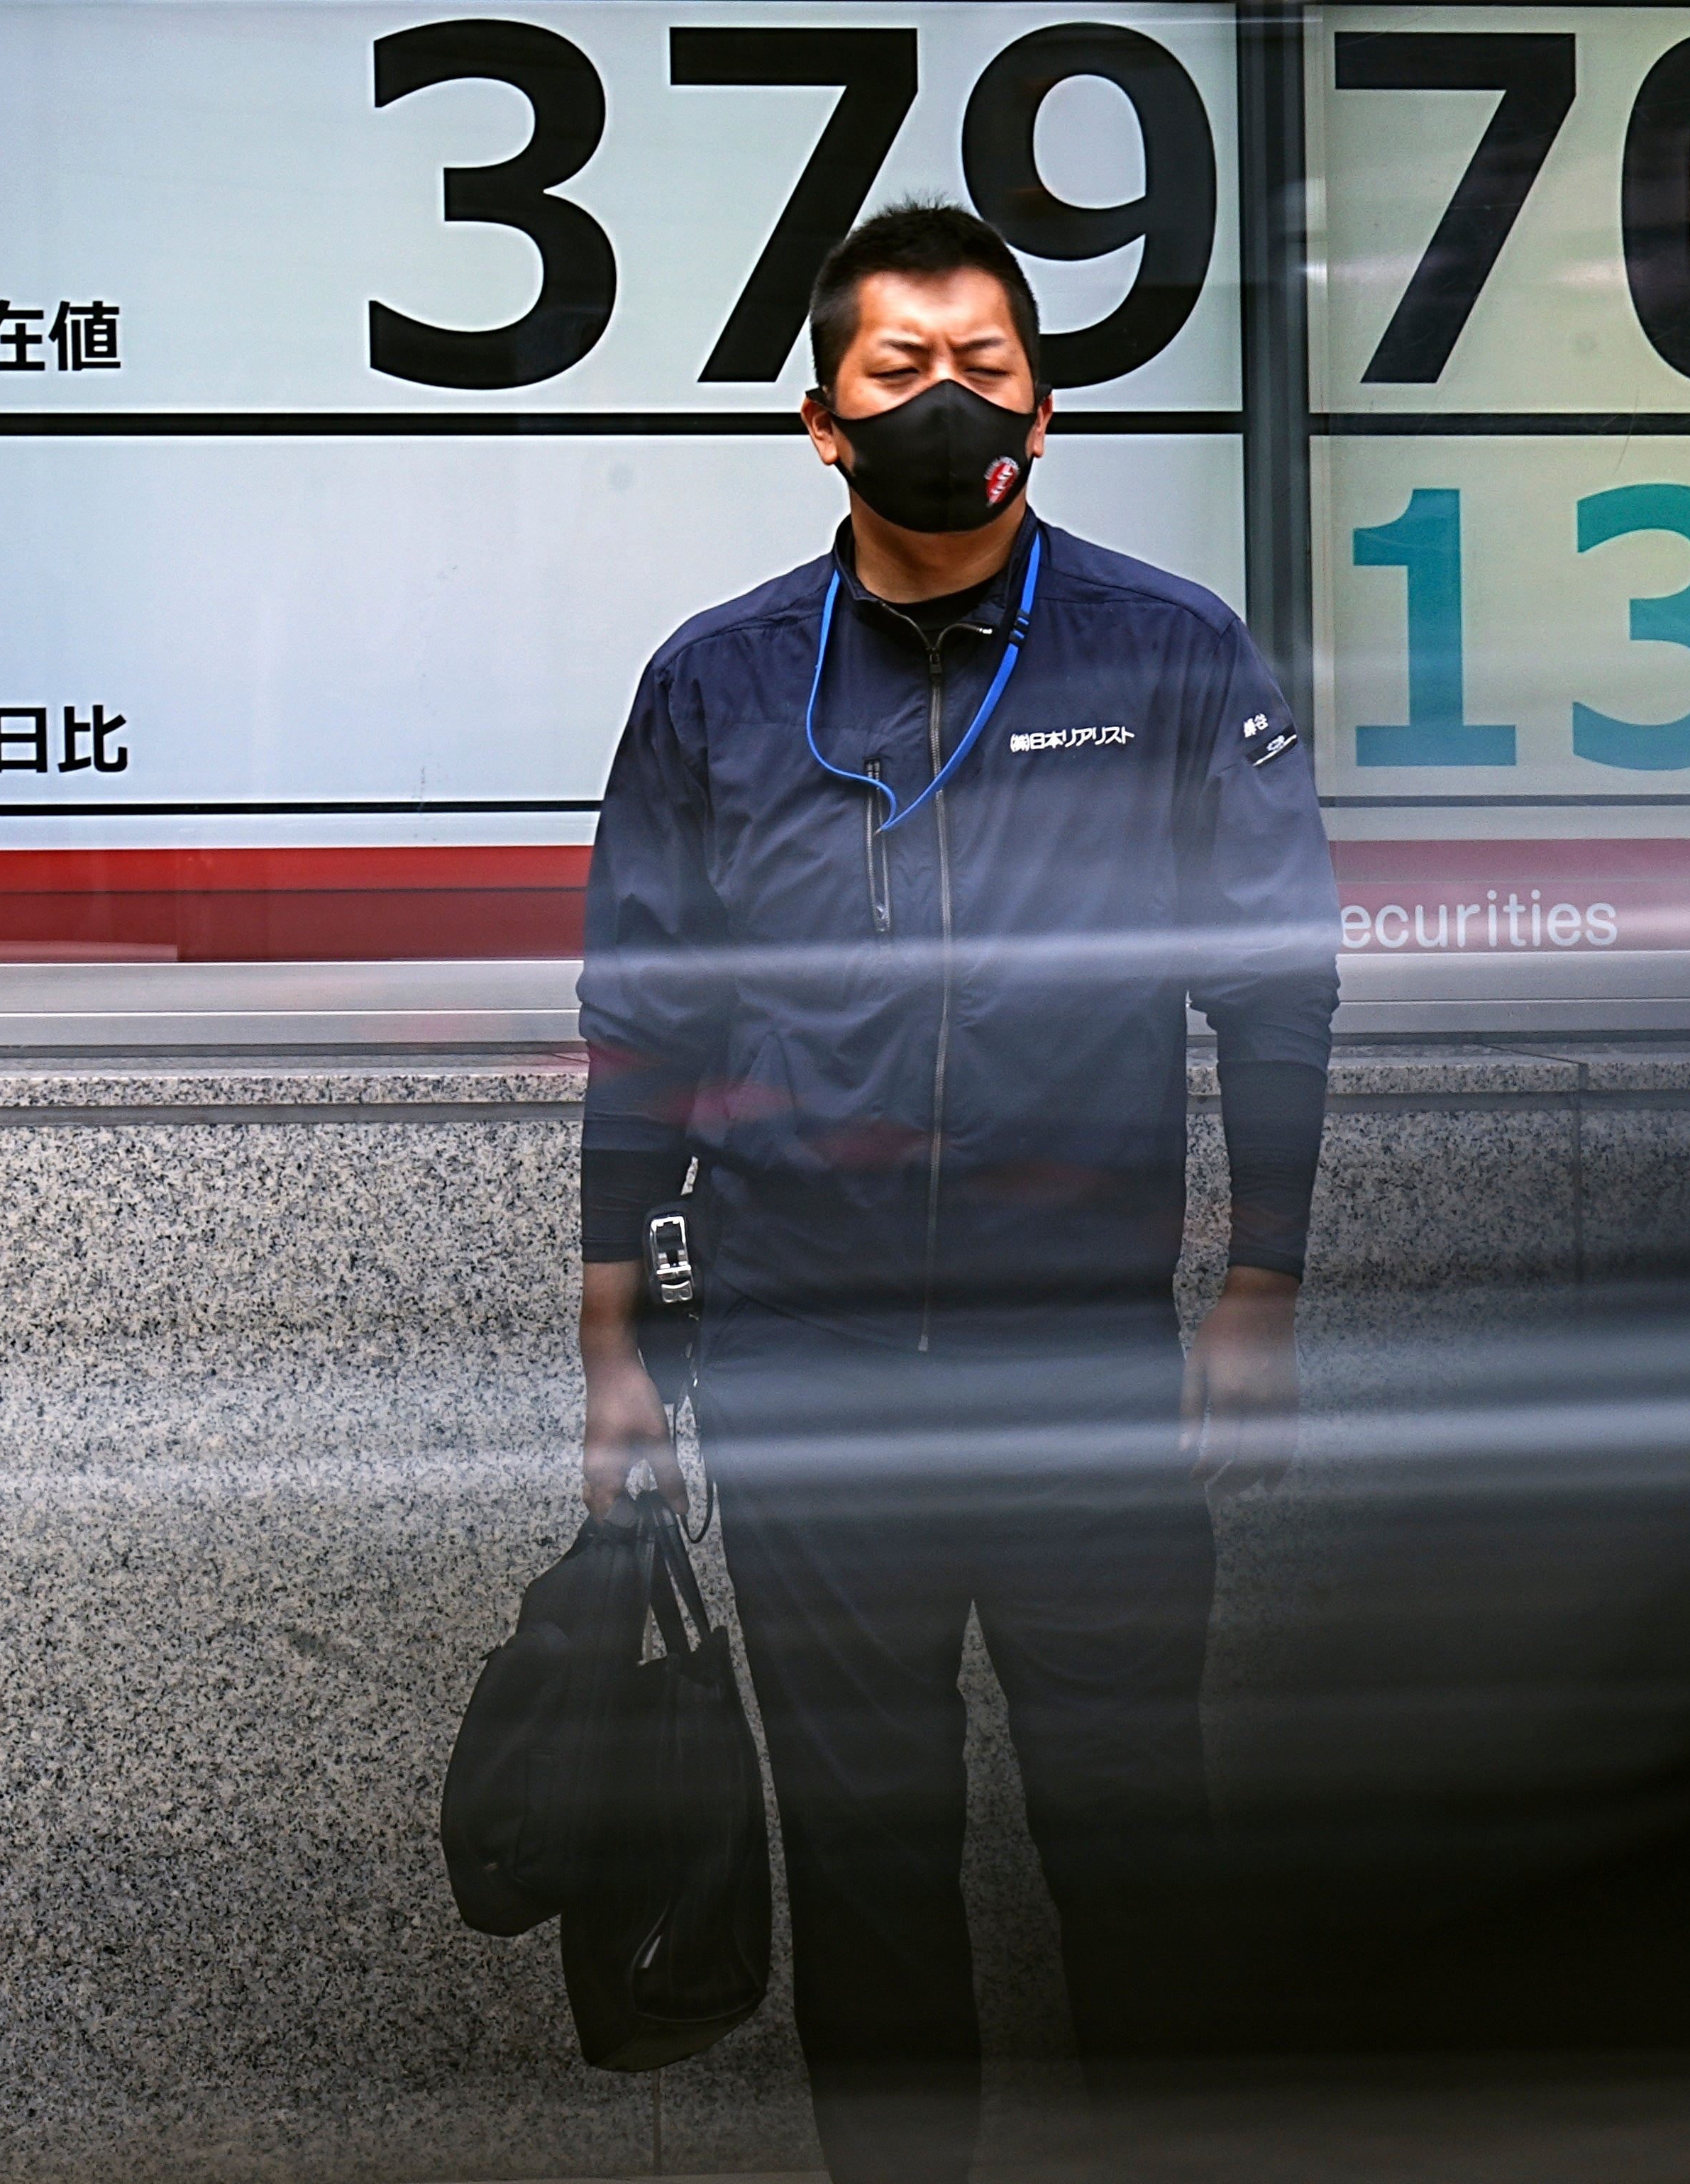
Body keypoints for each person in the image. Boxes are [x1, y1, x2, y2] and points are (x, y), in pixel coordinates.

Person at [571, 203, 1337, 2180]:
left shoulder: (1167, 654)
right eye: (899, 370)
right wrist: (612, 1335)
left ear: (1044, 412)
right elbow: (643, 1017)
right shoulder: (720, 684)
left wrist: (1260, 1285)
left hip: (1083, 1361)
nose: (947, 402)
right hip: (807, 1364)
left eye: (984, 369)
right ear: (822, 423)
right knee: (868, 1861)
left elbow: (1272, 983)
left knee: (1135, 1838)